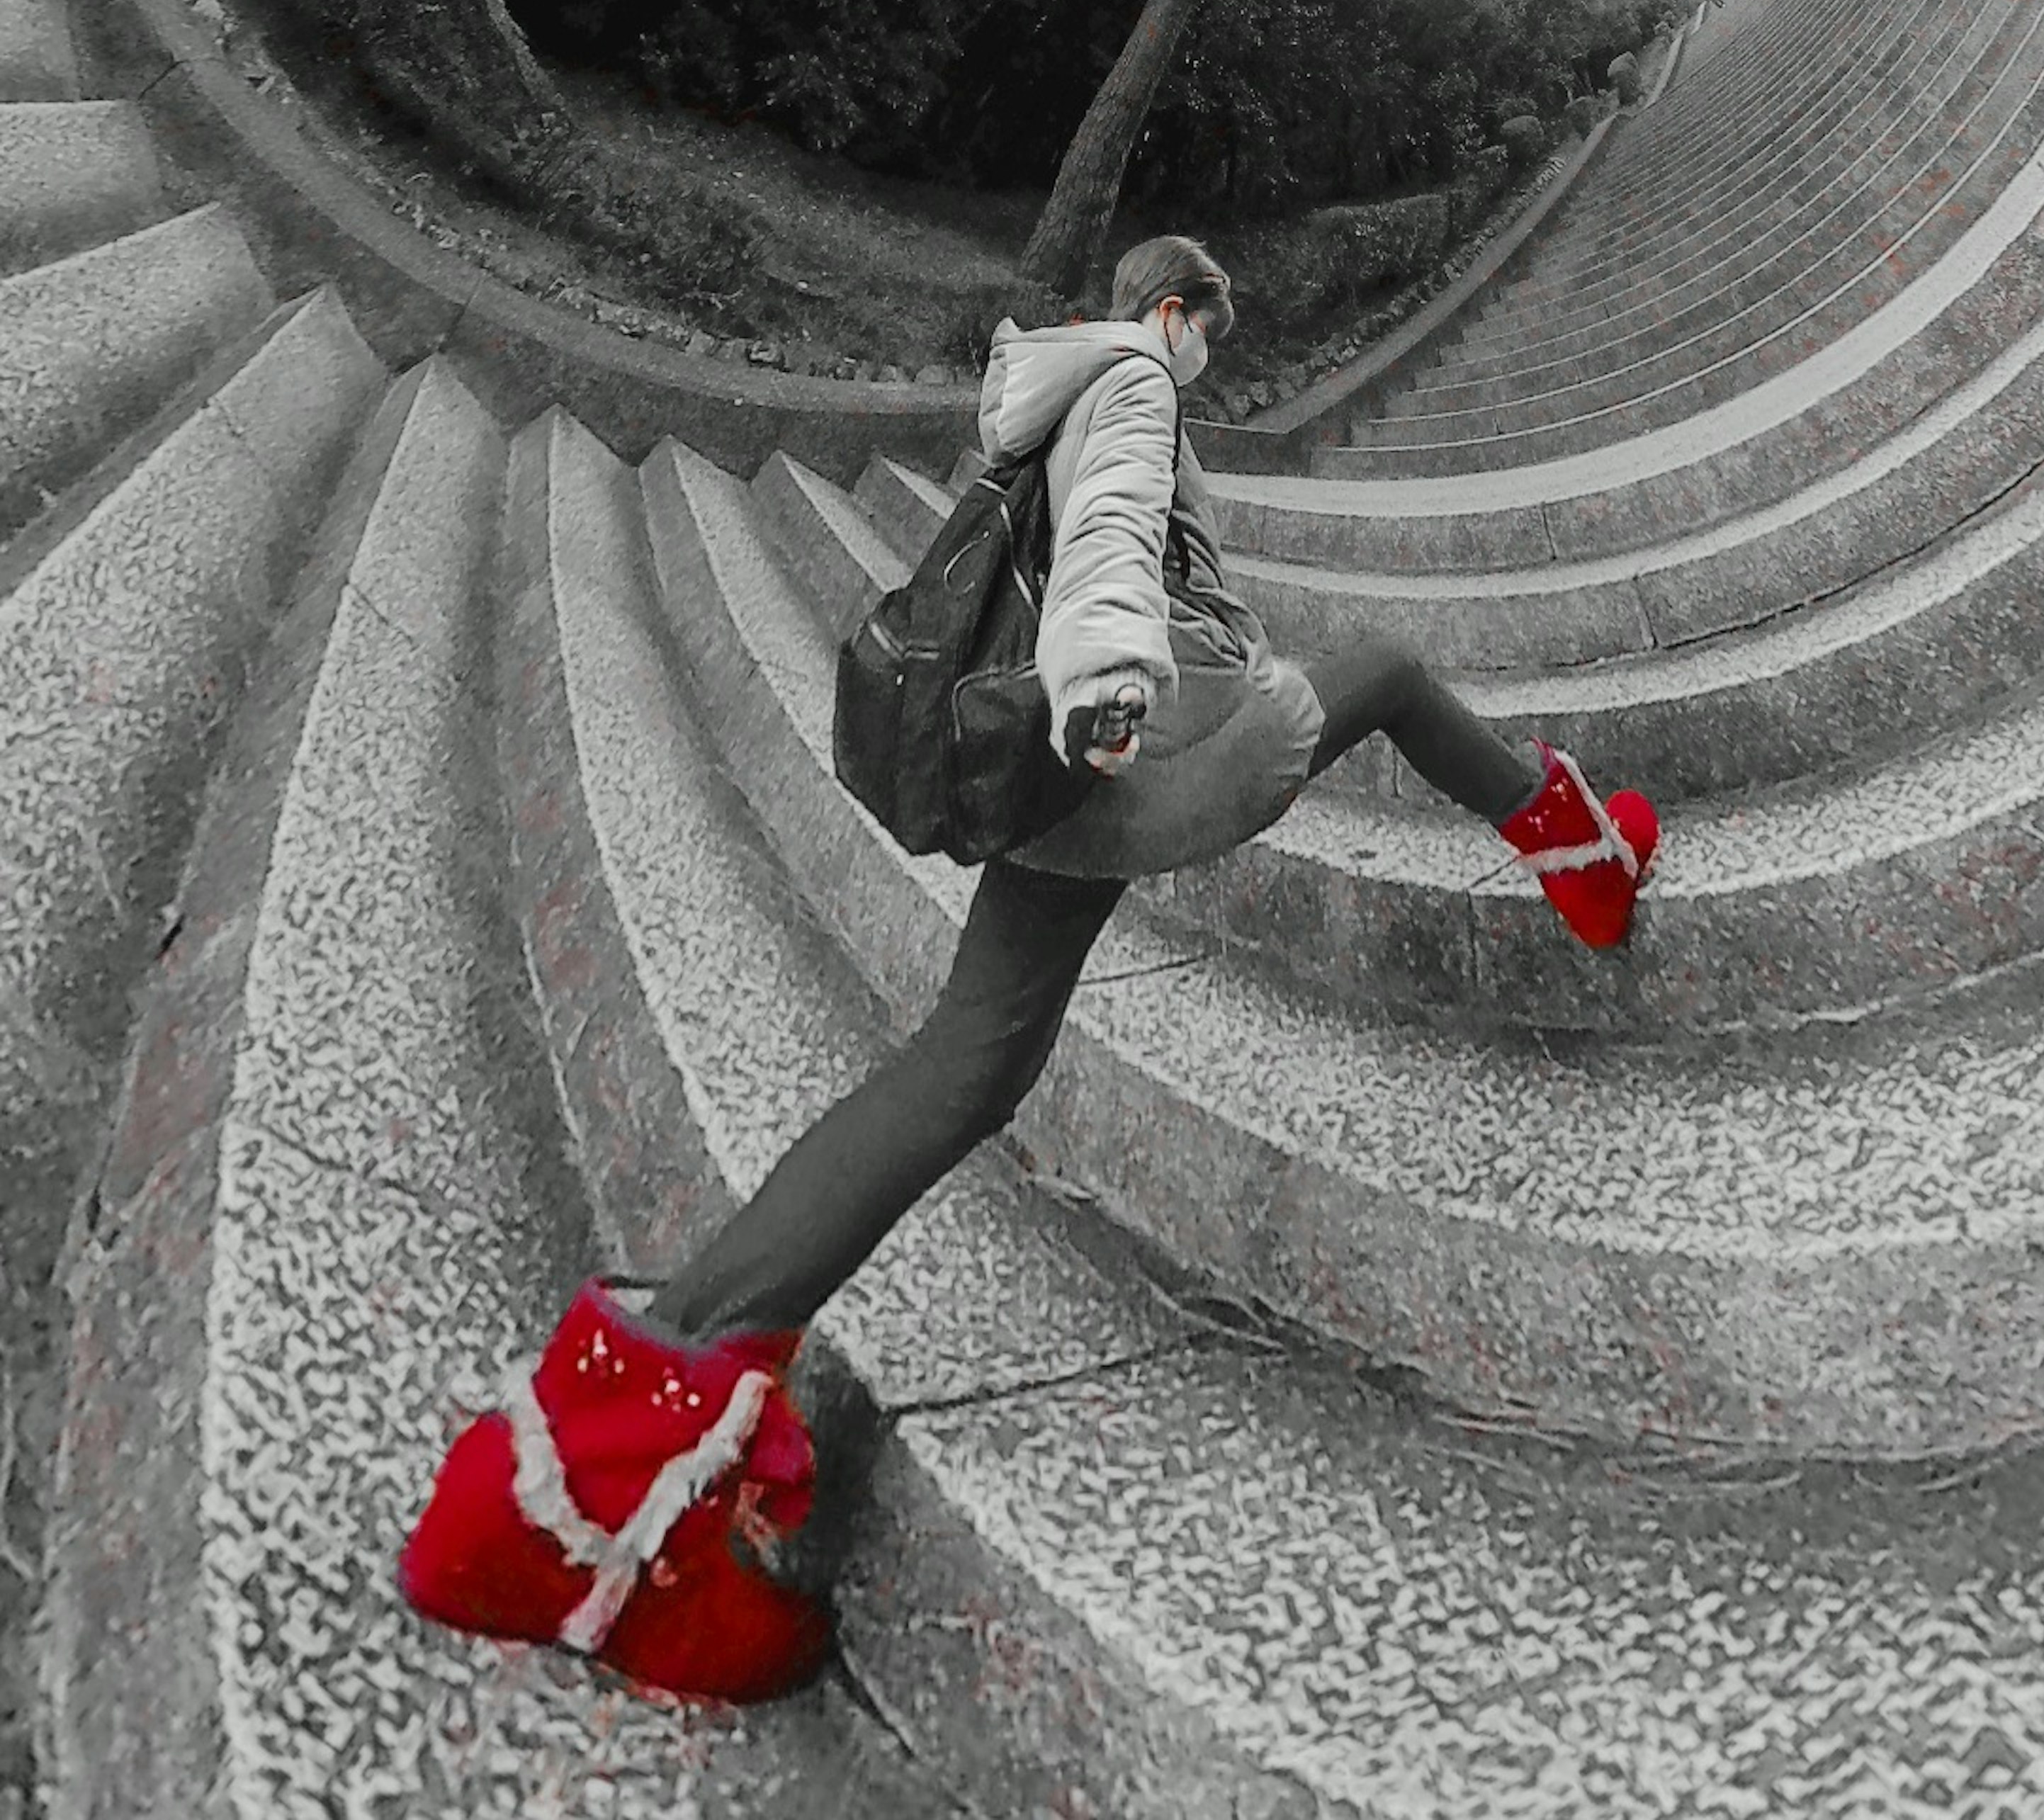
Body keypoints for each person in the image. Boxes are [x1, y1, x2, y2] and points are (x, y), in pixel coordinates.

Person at [398, 235, 1659, 1701]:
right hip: (1124, 732)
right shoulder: (1132, 377)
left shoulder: (1048, 379)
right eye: (1206, 338)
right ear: (1173, 311)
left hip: (1049, 751)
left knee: (972, 1058)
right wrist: (1115, 675)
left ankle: (613, 1431)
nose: (1201, 367)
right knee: (1377, 670)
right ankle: (1582, 852)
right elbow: (1115, 533)